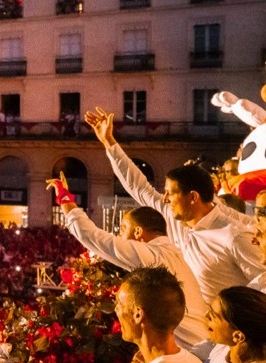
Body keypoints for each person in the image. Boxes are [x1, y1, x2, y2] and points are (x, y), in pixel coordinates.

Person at [85, 107, 262, 302]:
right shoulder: (173, 215)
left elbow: (261, 282)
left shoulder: (234, 235)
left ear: (193, 197)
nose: (165, 198)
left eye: (171, 193)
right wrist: (109, 142)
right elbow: (138, 187)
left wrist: (232, 315)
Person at [46, 173, 208, 349]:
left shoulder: (151, 255)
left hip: (192, 349)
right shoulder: (177, 252)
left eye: (123, 229)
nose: (119, 235)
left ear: (138, 232)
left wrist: (64, 198)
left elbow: (91, 236)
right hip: (201, 343)